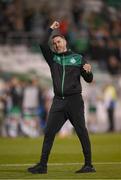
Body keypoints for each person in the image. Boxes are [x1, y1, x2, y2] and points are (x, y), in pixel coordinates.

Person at [28, 21, 96, 174]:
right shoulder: (53, 59)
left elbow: (89, 79)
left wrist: (89, 72)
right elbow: (40, 42)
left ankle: (89, 165)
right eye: (54, 43)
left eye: (58, 41)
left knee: (81, 131)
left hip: (74, 101)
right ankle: (42, 166)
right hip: (58, 101)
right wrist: (51, 29)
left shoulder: (78, 58)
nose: (56, 45)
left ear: (65, 41)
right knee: (49, 132)